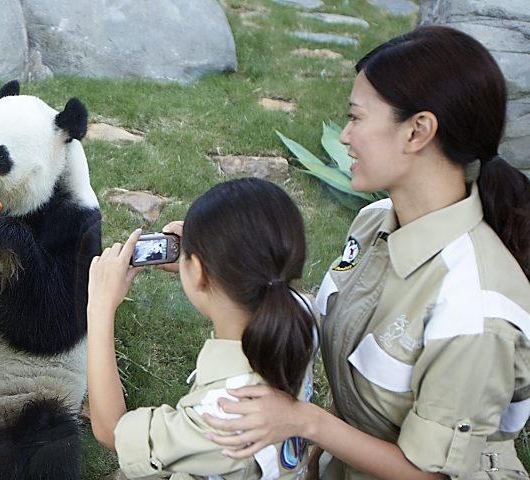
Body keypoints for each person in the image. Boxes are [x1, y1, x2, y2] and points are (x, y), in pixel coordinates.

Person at [202, 25, 530, 479]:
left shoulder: (474, 309)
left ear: (418, 131)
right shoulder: (376, 220)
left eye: (356, 118)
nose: (344, 136)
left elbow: (429, 475)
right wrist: (219, 257)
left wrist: (305, 422)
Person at [87, 177, 317, 479]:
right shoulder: (301, 314)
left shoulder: (223, 413)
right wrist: (203, 263)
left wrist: (100, 308)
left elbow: (111, 430)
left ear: (198, 273)